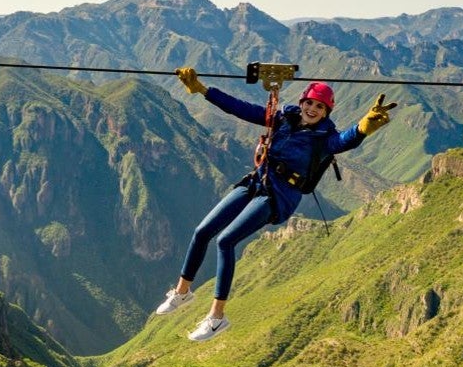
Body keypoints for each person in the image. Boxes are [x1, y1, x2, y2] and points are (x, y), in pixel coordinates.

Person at [156, 67, 396, 341]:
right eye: (309, 103)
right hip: (257, 180)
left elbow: (345, 140)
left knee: (225, 241)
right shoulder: (282, 119)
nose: (313, 109)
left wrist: (364, 127)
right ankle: (182, 293)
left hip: (279, 196)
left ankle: (216, 318)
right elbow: (241, 109)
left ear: (327, 112)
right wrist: (203, 90)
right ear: (302, 102)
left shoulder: (324, 139)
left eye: (320, 106)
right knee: (202, 231)